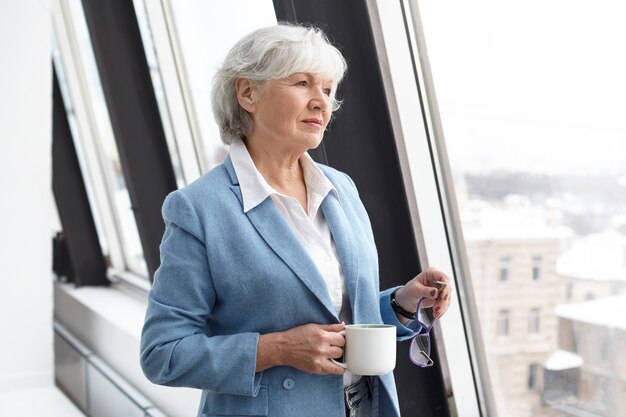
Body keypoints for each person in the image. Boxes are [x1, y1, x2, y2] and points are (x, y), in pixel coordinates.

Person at [140, 23, 452, 417]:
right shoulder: (199, 209)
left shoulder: (341, 189)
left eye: (327, 89)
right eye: (302, 83)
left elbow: (333, 317)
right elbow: (162, 353)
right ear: (248, 92)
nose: (321, 102)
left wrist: (401, 302)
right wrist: (276, 349)